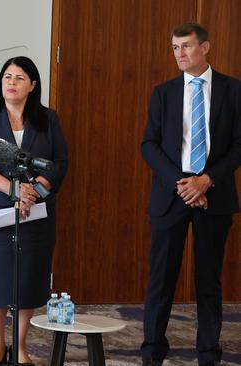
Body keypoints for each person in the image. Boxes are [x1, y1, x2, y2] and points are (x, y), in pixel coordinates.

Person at [140, 22, 241, 366]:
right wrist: (184, 184)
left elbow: (239, 146)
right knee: (161, 279)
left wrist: (206, 180)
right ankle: (152, 351)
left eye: (186, 46)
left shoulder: (233, 90)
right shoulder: (163, 93)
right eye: (175, 48)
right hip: (172, 196)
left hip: (215, 195)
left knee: (208, 279)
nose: (180, 54)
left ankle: (208, 354)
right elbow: (149, 146)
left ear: (205, 48)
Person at [0, 56, 68, 365]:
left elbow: (60, 163)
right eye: (7, 77)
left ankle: (20, 347)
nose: (11, 82)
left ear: (33, 85)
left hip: (35, 212)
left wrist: (33, 192)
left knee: (28, 279)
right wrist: (12, 190)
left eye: (19, 78)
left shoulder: (48, 119)